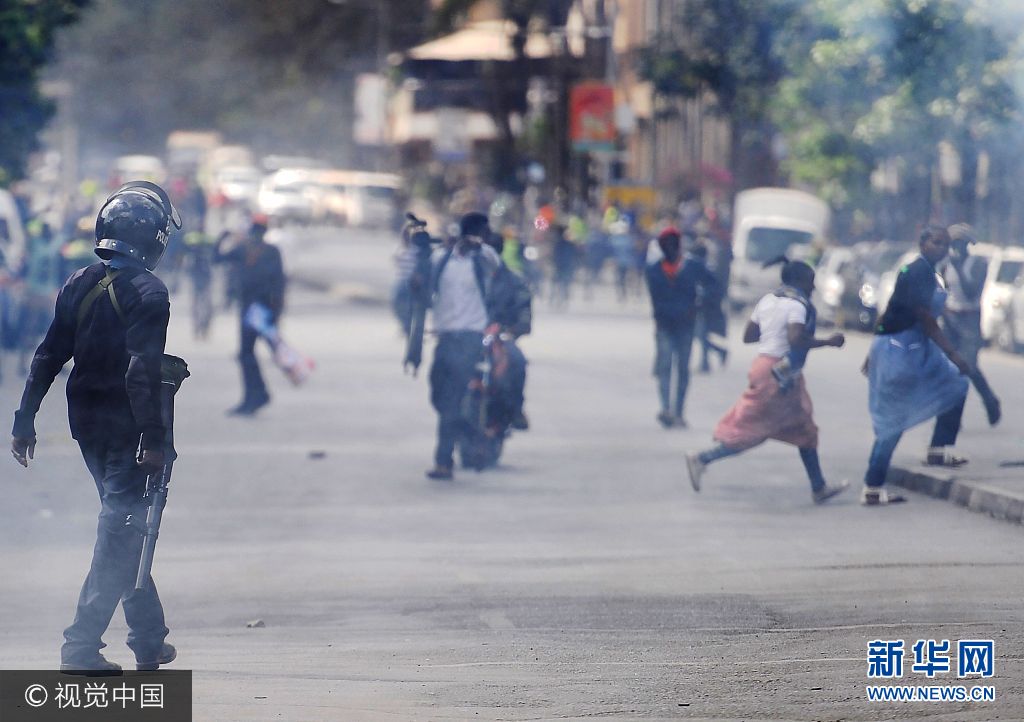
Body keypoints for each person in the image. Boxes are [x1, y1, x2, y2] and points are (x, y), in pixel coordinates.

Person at [10, 181, 180, 671]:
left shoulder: (79, 281)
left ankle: (148, 639)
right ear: (153, 238)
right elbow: (138, 370)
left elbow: (47, 356)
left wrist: (25, 420)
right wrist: (153, 437)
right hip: (129, 429)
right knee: (122, 532)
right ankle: (80, 647)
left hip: (85, 422)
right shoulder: (150, 291)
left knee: (123, 526)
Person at [685, 256, 848, 504]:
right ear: (799, 280)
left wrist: (774, 329)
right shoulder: (798, 306)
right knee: (754, 431)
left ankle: (819, 486)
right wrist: (828, 342)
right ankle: (702, 458)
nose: (813, 288)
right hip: (779, 373)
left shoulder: (768, 300)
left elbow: (749, 336)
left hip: (764, 366)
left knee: (804, 429)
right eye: (811, 282)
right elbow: (795, 339)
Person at [861, 225, 970, 505]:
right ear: (922, 242)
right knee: (893, 418)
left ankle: (938, 448)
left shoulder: (929, 272)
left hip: (915, 348)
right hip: (901, 350)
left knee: (956, 385)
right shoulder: (917, 271)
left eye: (945, 244)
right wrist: (953, 353)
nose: (943, 249)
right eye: (937, 243)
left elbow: (891, 308)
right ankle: (873, 486)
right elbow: (925, 318)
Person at [425, 212, 501, 480]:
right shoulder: (440, 259)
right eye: (482, 232)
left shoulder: (485, 258)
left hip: (471, 339)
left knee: (451, 400)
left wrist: (478, 247)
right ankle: (472, 433)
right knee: (436, 395)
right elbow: (422, 284)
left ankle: (443, 462)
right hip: (444, 337)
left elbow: (495, 263)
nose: (485, 237)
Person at [931, 223, 1001, 462]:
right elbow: (942, 292)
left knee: (967, 367)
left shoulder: (977, 265)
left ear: (969, 245)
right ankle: (953, 418)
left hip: (970, 319)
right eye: (953, 244)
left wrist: (959, 266)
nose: (956, 248)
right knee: (952, 369)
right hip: (951, 320)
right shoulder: (944, 265)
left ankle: (989, 401)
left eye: (961, 244)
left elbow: (972, 292)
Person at [645, 227, 718, 428]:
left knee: (682, 369)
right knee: (666, 366)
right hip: (665, 325)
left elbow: (713, 285)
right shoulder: (653, 270)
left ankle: (678, 411)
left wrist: (700, 303)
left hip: (686, 324)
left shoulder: (693, 266)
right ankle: (667, 409)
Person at [216, 215, 286, 416]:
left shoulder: (265, 251)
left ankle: (255, 396)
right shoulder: (255, 250)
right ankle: (256, 395)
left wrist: (223, 237)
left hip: (257, 310)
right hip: (255, 309)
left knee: (246, 353)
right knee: (246, 354)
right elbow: (280, 284)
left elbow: (280, 283)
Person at [484, 230, 533, 431]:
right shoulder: (466, 275)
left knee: (518, 361)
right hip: (470, 336)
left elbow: (524, 309)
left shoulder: (514, 280)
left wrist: (516, 328)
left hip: (501, 337)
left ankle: (515, 410)